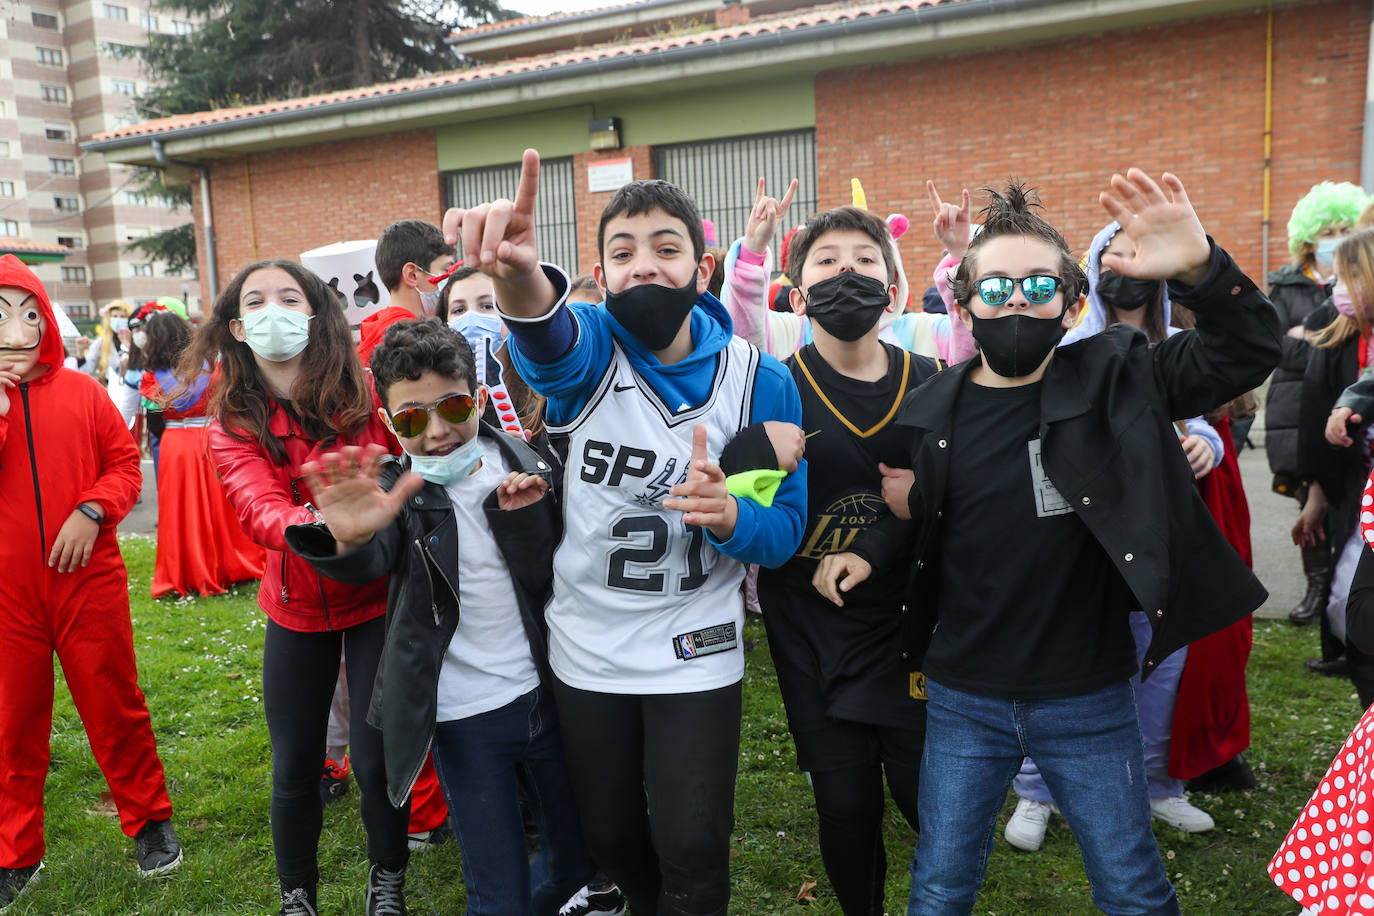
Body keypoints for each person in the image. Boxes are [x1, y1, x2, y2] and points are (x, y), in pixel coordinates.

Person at [814, 170, 1281, 915]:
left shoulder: (1119, 373)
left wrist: (1200, 267)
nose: (1017, 300)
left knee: (1131, 884)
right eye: (995, 289)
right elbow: (917, 509)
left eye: (1037, 285)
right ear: (964, 303)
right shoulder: (933, 406)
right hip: (965, 693)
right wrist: (866, 546)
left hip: (1088, 691)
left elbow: (1248, 349)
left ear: (1071, 305)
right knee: (939, 881)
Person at [443, 151, 807, 916]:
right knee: (613, 840)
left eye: (665, 248)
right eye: (623, 252)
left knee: (694, 844)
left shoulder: (760, 379)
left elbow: (783, 536)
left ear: (702, 269)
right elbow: (546, 338)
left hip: (696, 643)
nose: (644, 265)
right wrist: (513, 271)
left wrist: (736, 516)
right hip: (589, 647)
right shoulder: (592, 352)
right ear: (601, 274)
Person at [288, 318, 610, 916]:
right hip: (466, 722)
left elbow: (553, 581)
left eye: (453, 407)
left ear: (479, 397)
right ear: (388, 423)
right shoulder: (395, 491)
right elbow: (373, 559)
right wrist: (345, 540)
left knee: (574, 861)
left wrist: (529, 518)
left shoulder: (525, 459)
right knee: (497, 893)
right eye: (411, 419)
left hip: (551, 696)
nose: (436, 432)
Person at [185, 258, 411, 916]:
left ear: (315, 314)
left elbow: (408, 461)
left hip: (374, 602)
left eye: (290, 296)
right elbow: (258, 510)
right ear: (237, 325)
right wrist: (325, 526)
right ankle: (297, 896)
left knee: (375, 764)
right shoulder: (230, 422)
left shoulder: (365, 395)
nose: (274, 309)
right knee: (294, 770)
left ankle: (388, 878)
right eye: (257, 300)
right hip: (294, 608)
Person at [1003, 219, 1228, 851]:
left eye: (1138, 254)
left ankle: (1158, 785)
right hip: (1085, 543)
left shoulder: (1179, 342)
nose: (1124, 267)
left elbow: (1199, 417)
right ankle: (1036, 791)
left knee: (1162, 662)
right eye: (1112, 254)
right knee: (1067, 666)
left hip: (1160, 537)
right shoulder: (1067, 345)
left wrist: (1204, 443)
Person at [742, 189, 934, 914]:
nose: (845, 273)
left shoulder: (932, 382)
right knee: (844, 803)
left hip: (909, 628)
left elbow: (957, 510)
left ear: (892, 288)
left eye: (863, 261)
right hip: (809, 631)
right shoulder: (773, 386)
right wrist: (755, 456)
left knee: (925, 797)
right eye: (826, 261)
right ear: (798, 290)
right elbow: (745, 510)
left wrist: (904, 515)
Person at [0, 254, 183, 908]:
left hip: (87, 581)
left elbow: (126, 467)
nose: (17, 330)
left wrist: (91, 509)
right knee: (10, 721)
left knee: (113, 700)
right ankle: (15, 850)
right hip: (7, 594)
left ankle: (150, 822)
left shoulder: (81, 394)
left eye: (27, 312)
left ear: (45, 318)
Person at [1269, 182, 1369, 626]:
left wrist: (1306, 339)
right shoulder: (1287, 285)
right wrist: (1315, 343)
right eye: (1328, 230)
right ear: (1309, 238)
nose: (1336, 237)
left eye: (1344, 228)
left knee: (1343, 507)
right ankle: (1318, 589)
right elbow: (1273, 346)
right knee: (1313, 500)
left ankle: (1339, 598)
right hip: (1298, 410)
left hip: (1345, 407)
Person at [1297, 228, 1374, 705]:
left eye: (1347, 277)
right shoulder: (1351, 337)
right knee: (1351, 606)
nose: (1336, 288)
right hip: (1357, 500)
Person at [140, 308, 265, 598]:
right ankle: (229, 562)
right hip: (211, 437)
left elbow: (154, 418)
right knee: (220, 506)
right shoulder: (212, 368)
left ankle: (186, 569)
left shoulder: (152, 378)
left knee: (180, 508)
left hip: (174, 445)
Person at [357, 219, 458, 365]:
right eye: (445, 271)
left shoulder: (379, 331)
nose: (451, 281)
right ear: (412, 275)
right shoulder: (411, 344)